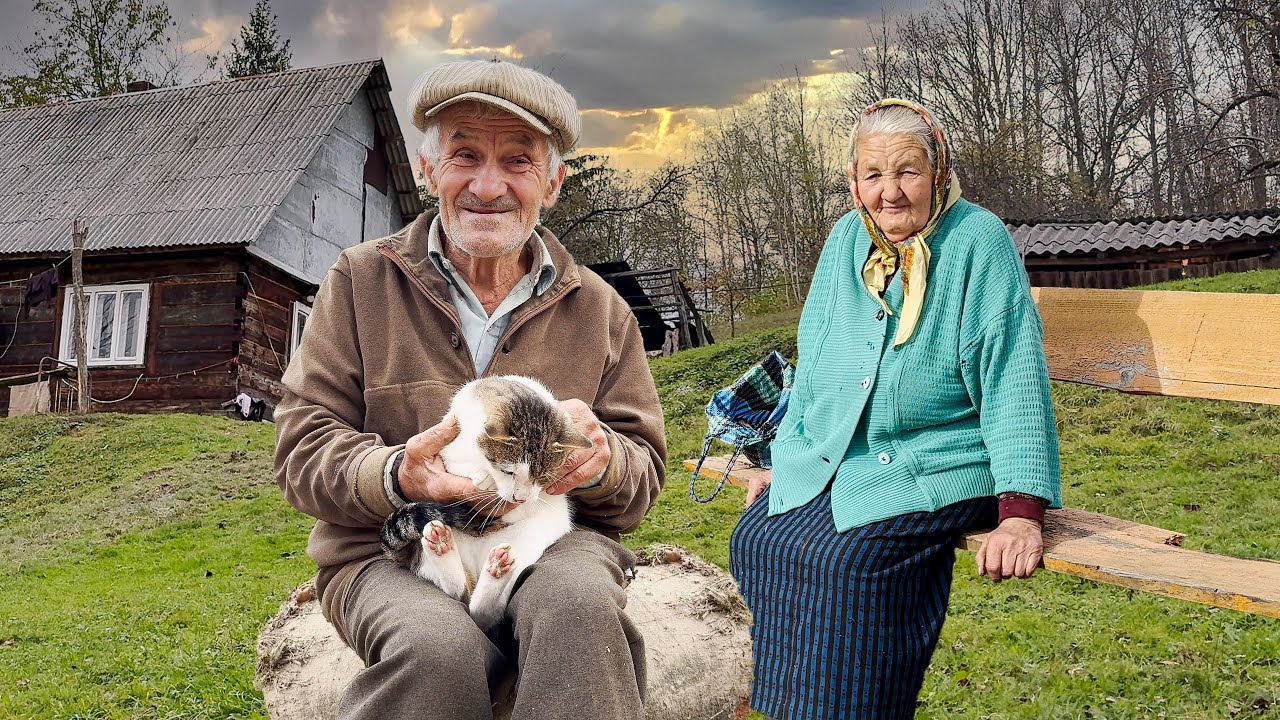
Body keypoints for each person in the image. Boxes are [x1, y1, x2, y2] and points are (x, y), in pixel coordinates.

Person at [274, 59, 666, 720]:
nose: (488, 186)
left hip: (550, 545)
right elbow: (301, 453)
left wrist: (604, 463)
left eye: (518, 160)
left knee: (579, 613)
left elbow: (643, 470)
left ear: (553, 182)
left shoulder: (602, 310)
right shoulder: (360, 282)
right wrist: (397, 474)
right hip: (389, 555)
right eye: (464, 154)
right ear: (428, 171)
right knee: (438, 652)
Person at [729, 99, 1062, 720]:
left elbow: (1013, 375)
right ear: (854, 180)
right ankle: (785, 710)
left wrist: (1020, 514)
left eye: (907, 172)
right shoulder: (846, 238)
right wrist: (790, 459)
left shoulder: (977, 240)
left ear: (937, 171)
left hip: (940, 459)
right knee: (760, 538)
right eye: (873, 175)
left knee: (848, 559)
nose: (889, 193)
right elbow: (818, 356)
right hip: (849, 457)